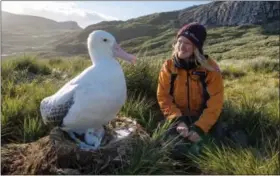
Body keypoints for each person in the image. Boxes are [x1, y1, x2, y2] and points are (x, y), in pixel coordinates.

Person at [157, 22, 224, 158]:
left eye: (188, 43)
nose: (181, 46)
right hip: (177, 117)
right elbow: (163, 96)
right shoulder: (168, 66)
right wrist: (177, 120)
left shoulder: (210, 68)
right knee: (173, 150)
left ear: (197, 47)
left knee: (212, 150)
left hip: (203, 117)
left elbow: (215, 101)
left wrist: (199, 128)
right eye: (179, 41)